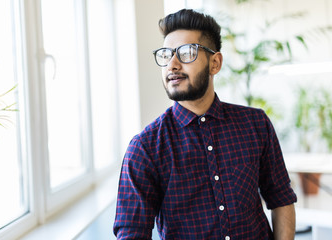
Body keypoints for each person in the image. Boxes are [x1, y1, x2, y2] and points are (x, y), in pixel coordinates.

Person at [113, 8, 297, 240]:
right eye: (166, 55)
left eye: (186, 52)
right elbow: (132, 232)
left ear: (215, 63)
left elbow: (281, 198)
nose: (173, 64)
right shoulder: (145, 147)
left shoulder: (255, 124)